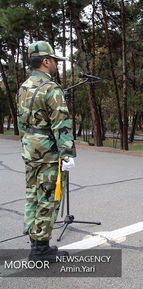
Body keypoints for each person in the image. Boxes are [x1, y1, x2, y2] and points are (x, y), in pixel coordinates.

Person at [17, 41, 76, 261]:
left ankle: (36, 242)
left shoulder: (24, 87)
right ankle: (40, 251)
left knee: (33, 195)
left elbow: (21, 123)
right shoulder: (51, 88)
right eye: (53, 61)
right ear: (45, 61)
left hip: (30, 149)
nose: (55, 65)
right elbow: (61, 124)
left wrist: (28, 143)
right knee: (48, 198)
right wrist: (67, 153)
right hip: (48, 153)